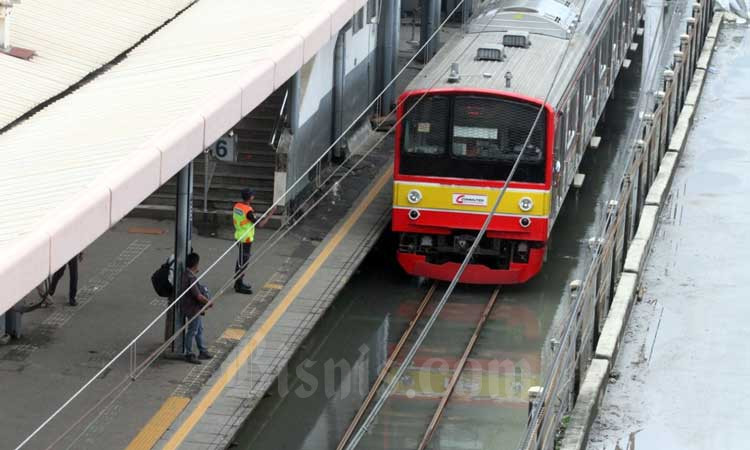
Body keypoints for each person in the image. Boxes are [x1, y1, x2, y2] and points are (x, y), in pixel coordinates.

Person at [181, 252, 212, 364]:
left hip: (190, 307)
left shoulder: (186, 274)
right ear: (196, 264)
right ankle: (188, 353)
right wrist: (208, 302)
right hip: (193, 308)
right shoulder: (191, 278)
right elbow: (198, 295)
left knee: (199, 329)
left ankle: (202, 350)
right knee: (193, 331)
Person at [232, 188, 257, 294]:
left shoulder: (237, 206)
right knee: (243, 262)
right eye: (252, 195)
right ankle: (238, 285)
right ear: (250, 197)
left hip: (239, 235)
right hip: (245, 239)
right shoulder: (248, 210)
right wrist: (270, 214)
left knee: (241, 260)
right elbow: (259, 223)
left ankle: (239, 283)